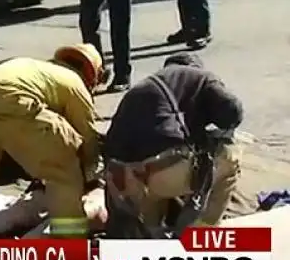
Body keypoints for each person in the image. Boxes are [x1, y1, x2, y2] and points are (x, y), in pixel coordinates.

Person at [0, 43, 104, 238]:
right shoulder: (75, 83)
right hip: (10, 102)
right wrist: (90, 172)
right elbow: (87, 134)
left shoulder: (40, 69)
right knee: (62, 169)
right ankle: (67, 237)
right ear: (91, 75)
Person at [103, 53, 243, 229]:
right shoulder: (201, 77)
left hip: (127, 183)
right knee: (231, 157)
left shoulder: (144, 88)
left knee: (156, 191)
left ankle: (152, 234)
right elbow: (233, 111)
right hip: (163, 174)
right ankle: (201, 232)